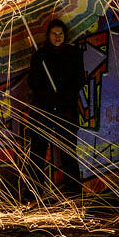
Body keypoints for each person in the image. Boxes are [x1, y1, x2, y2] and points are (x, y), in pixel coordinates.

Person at [25, 18, 85, 194]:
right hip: (43, 111)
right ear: (48, 35)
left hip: (66, 110)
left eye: (61, 34)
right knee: (38, 152)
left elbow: (80, 80)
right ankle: (34, 193)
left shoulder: (73, 54)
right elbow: (32, 83)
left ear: (65, 35)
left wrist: (63, 96)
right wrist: (39, 63)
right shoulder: (40, 56)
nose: (58, 37)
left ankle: (74, 193)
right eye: (54, 34)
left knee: (68, 152)